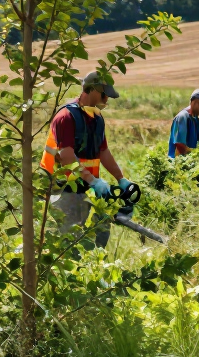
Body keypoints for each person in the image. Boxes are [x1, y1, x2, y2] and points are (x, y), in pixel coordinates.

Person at [40, 71, 131, 248]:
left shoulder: (97, 118)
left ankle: (95, 271)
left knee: (99, 232)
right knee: (68, 240)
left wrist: (121, 179)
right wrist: (93, 180)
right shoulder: (66, 117)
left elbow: (103, 151)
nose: (107, 99)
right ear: (94, 90)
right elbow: (66, 157)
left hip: (87, 187)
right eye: (105, 94)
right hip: (63, 188)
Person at [168, 89, 199, 158]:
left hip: (189, 162)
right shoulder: (183, 117)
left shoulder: (195, 119)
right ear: (194, 102)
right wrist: (194, 156)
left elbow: (198, 141)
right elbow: (179, 144)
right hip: (178, 163)